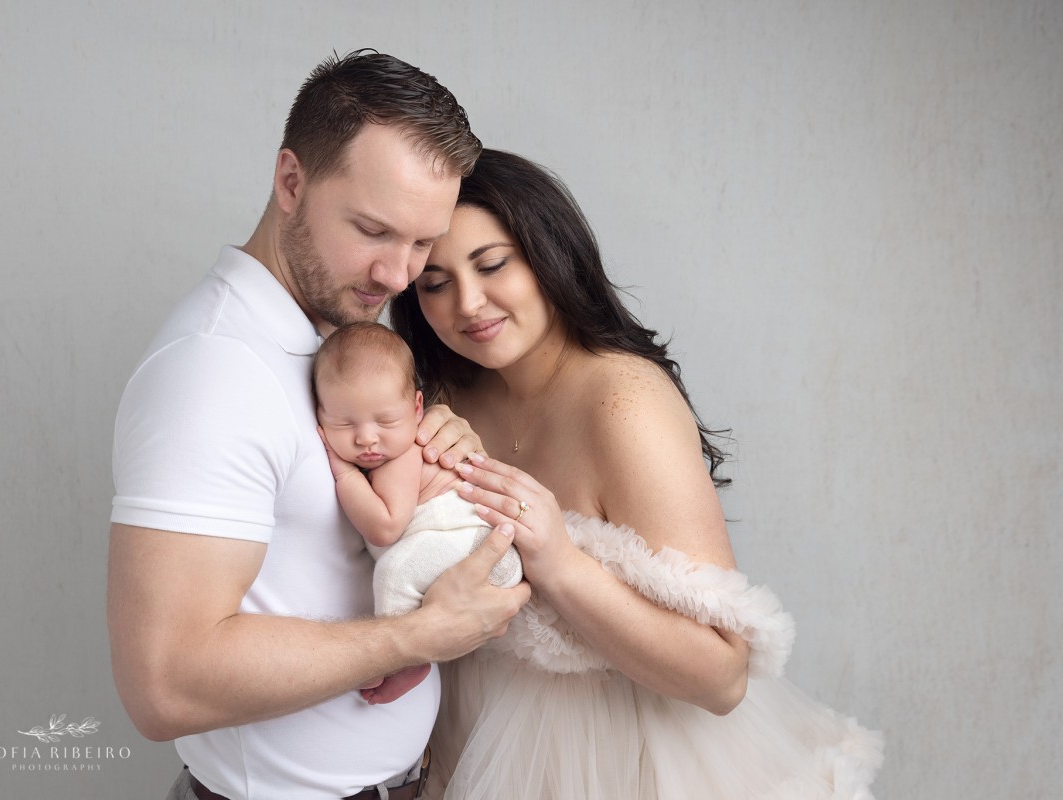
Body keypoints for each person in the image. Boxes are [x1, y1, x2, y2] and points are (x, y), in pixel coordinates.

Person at [389, 149, 884, 798]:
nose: (468, 303)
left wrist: (558, 561)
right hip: (473, 737)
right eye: (435, 283)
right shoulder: (443, 394)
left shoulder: (624, 403)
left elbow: (722, 677)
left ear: (547, 254)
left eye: (492, 265)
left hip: (623, 758)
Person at [106, 53, 529, 800]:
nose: (400, 276)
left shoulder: (330, 343)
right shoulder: (212, 372)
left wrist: (435, 453)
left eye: (422, 242)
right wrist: (414, 637)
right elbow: (163, 684)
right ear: (291, 182)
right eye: (374, 230)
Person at [312, 322, 523, 705]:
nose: (367, 438)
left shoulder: (404, 455)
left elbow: (385, 527)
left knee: (394, 571)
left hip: (479, 550)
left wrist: (343, 472)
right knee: (398, 567)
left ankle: (404, 659)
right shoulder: (382, 448)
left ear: (416, 408)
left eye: (386, 421)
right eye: (343, 424)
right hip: (462, 550)